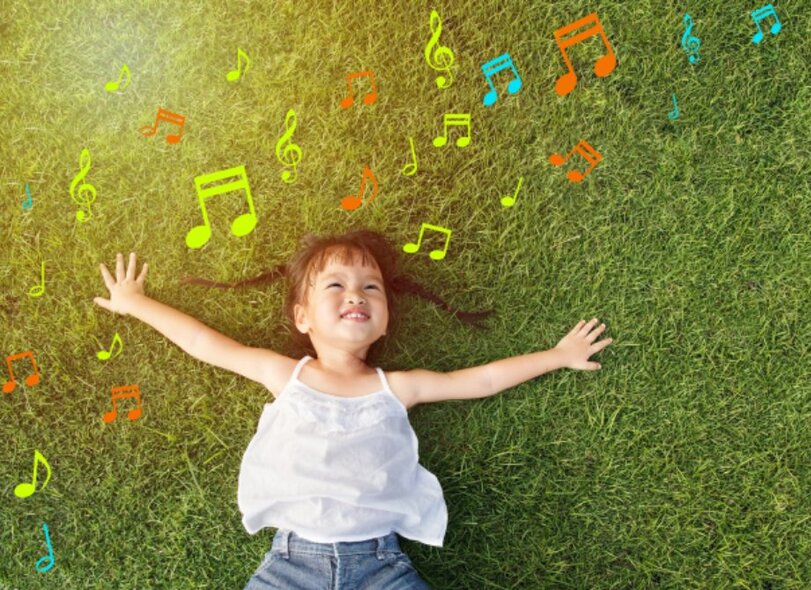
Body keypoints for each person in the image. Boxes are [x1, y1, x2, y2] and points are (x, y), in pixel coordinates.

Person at [93, 229, 613, 589]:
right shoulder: (286, 375)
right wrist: (136, 302)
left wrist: (557, 356)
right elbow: (208, 344)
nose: (355, 294)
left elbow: (480, 380)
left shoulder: (397, 387)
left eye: (371, 287)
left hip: (381, 565)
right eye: (335, 285)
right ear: (302, 317)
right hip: (290, 566)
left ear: (384, 322)